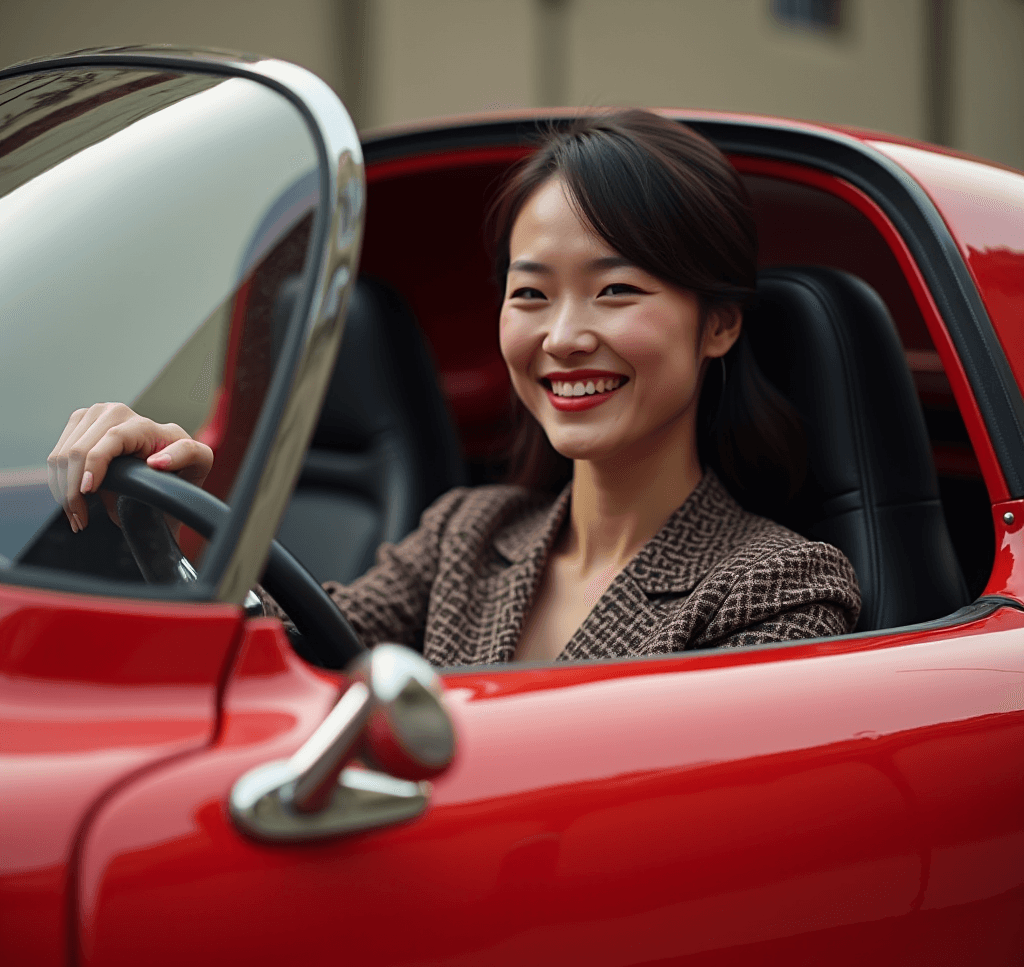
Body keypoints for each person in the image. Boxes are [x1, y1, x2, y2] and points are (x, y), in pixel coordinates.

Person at [49, 109, 860, 666]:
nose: (562, 335)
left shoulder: (778, 586)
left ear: (718, 324)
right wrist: (157, 526)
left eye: (616, 290)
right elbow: (280, 660)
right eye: (531, 292)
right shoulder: (466, 532)